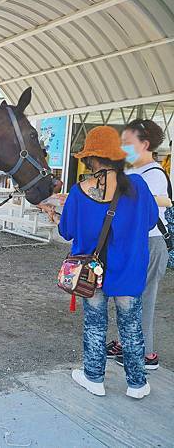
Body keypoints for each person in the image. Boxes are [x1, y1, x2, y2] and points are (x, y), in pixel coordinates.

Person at [57, 126, 158, 399]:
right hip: (129, 270)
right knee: (131, 326)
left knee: (94, 324)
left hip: (92, 274)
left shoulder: (79, 191)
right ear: (117, 156)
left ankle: (94, 379)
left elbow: (66, 231)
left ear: (91, 159)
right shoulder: (137, 185)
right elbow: (149, 221)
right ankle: (137, 384)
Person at [105, 119, 169, 370]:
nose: (124, 148)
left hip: (150, 244)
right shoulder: (132, 173)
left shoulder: (154, 174)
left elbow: (163, 202)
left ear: (145, 144)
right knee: (127, 296)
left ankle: (146, 354)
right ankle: (126, 341)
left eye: (128, 143)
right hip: (133, 244)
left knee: (144, 298)